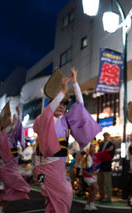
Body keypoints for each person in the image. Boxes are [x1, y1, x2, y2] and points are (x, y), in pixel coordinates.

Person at [33, 67, 102, 213]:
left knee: (53, 200)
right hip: (46, 165)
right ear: (50, 104)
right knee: (65, 193)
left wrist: (75, 83)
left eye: (64, 104)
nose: (61, 106)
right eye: (58, 102)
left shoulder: (65, 121)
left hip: (59, 166)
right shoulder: (43, 118)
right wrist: (63, 91)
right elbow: (48, 112)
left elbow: (80, 106)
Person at [0, 103, 30, 213]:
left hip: (12, 166)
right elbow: (2, 138)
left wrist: (19, 114)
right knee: (20, 186)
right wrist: (12, 124)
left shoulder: (12, 136)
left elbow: (18, 128)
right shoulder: (0, 137)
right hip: (4, 168)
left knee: (12, 189)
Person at [82, 141, 113, 210]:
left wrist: (108, 150)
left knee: (92, 190)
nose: (93, 149)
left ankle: (88, 205)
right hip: (87, 175)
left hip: (94, 176)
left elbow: (103, 153)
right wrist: (86, 158)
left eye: (94, 147)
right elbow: (85, 167)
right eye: (91, 147)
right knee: (96, 188)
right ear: (88, 148)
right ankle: (92, 204)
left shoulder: (97, 155)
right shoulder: (86, 156)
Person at [97, 132, 115, 203]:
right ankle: (101, 196)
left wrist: (104, 153)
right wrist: (106, 151)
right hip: (100, 166)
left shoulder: (111, 145)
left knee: (107, 183)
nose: (105, 137)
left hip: (107, 166)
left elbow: (111, 156)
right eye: (104, 136)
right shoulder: (101, 144)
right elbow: (99, 154)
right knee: (100, 182)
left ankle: (108, 198)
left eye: (106, 136)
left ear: (109, 136)